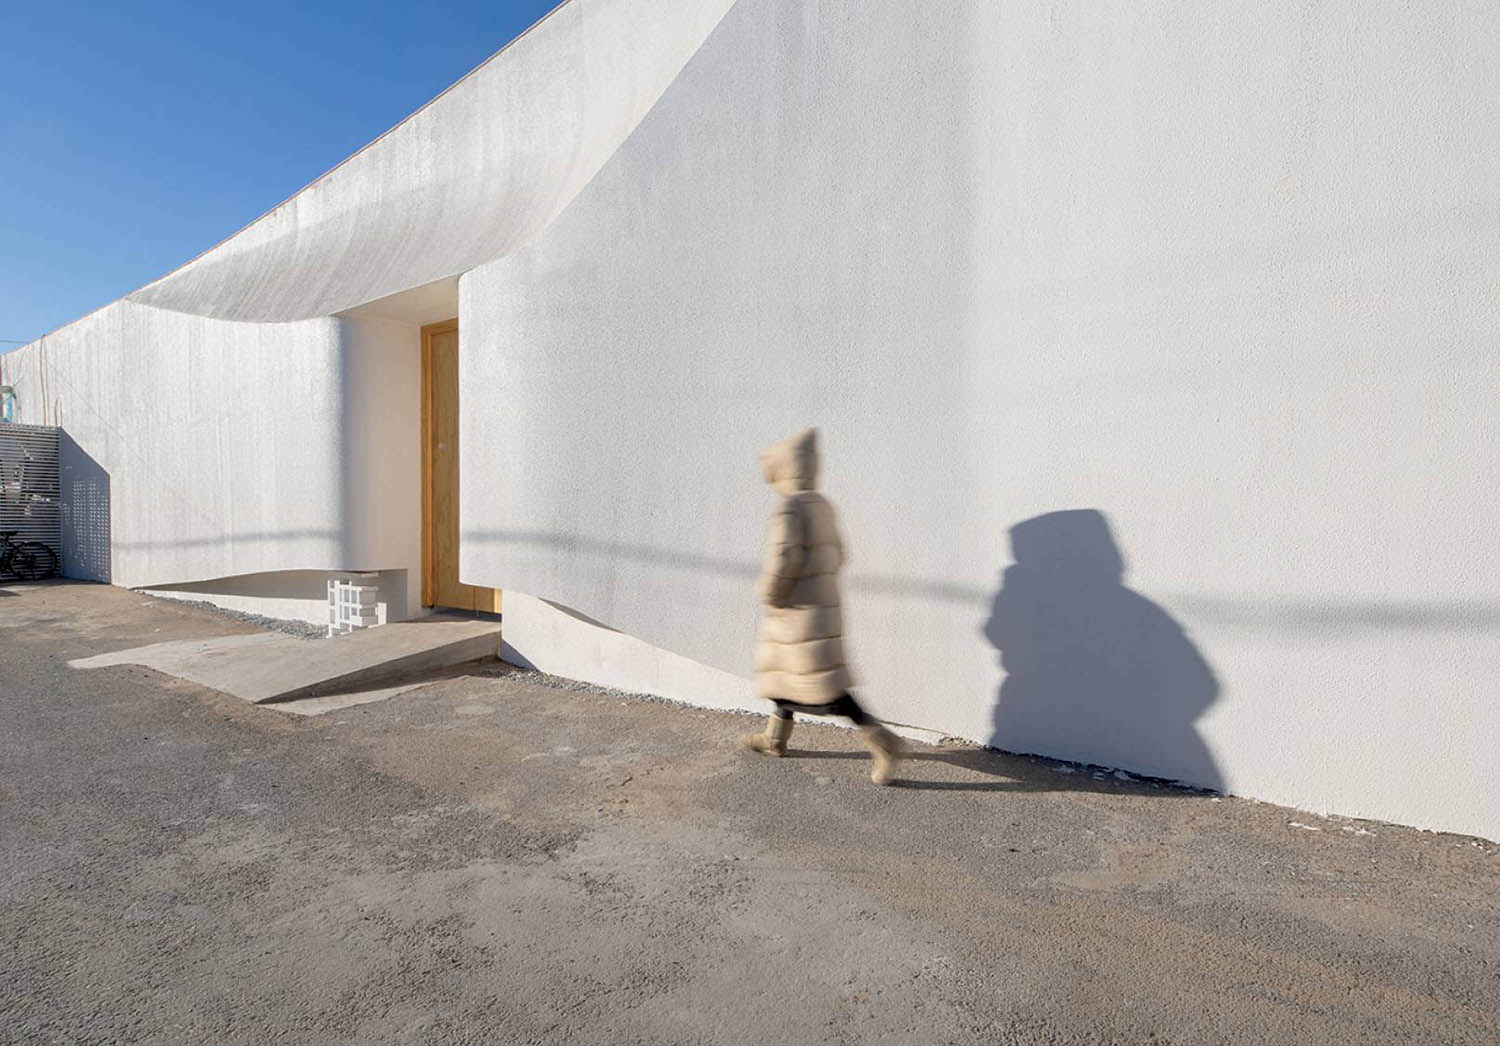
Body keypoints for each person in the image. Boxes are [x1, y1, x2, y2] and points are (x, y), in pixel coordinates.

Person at [739, 428, 904, 784]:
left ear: (784, 470)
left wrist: (771, 593)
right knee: (786, 677)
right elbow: (841, 555)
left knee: (826, 691)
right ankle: (774, 739)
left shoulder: (790, 508)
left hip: (797, 612)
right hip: (821, 606)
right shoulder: (823, 504)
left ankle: (884, 741)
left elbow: (783, 558)